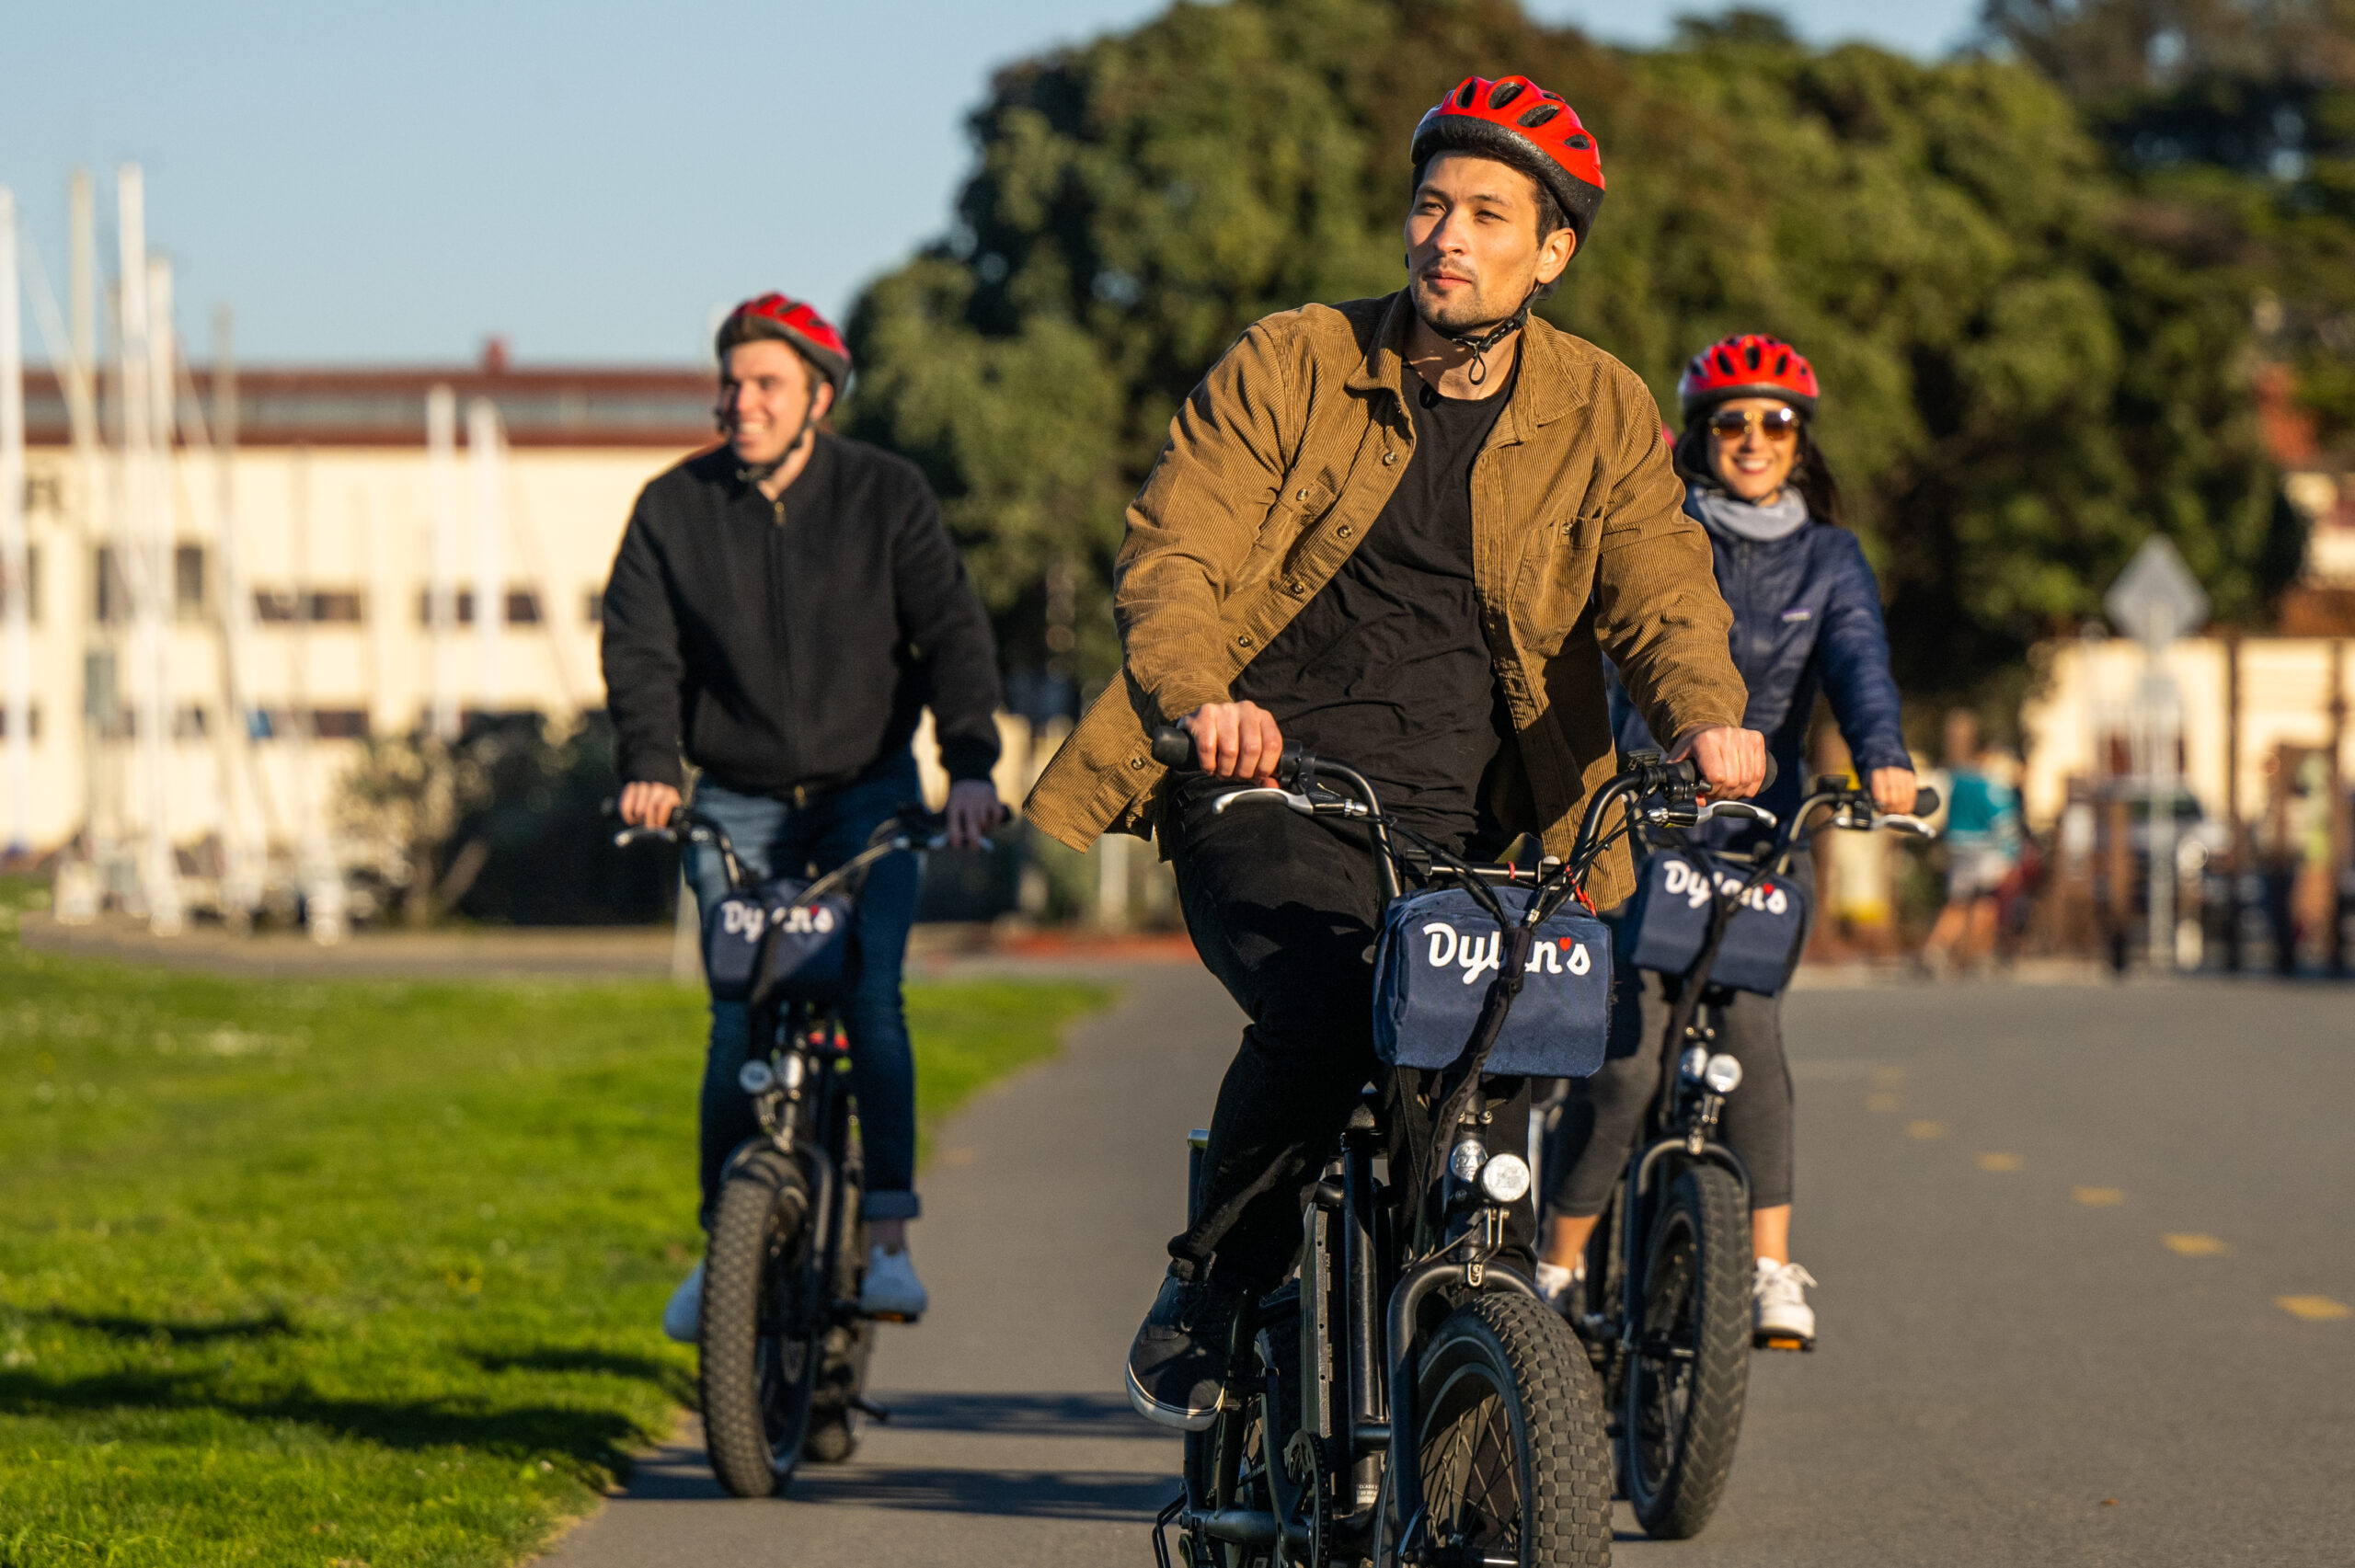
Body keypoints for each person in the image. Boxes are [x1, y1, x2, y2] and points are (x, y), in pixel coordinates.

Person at [1024, 73, 1765, 1431]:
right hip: (1273, 789)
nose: (1447, 235)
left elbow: (1664, 586)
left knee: (1520, 1058)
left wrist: (1708, 715)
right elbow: (1176, 552)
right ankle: (1220, 1283)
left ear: (1551, 252)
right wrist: (1204, 704)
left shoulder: (1598, 407)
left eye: (1489, 213)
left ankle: (1470, 1337)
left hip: (1496, 830)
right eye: (1432, 203)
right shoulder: (1293, 362)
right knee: (1327, 1000)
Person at [600, 292, 1006, 1338]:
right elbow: (641, 653)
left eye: (766, 383)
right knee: (734, 1015)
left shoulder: (886, 495)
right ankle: (719, 1253)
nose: (741, 401)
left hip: (865, 795)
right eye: (730, 382)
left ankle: (885, 1245)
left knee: (872, 1004)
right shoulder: (671, 509)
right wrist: (651, 764)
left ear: (818, 397)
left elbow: (951, 634)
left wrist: (968, 767)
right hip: (732, 800)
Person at [1538, 334, 1915, 1349]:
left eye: (1775, 423)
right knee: (1626, 1063)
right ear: (1700, 438)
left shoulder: (1830, 558)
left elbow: (1859, 668)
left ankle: (1767, 1267)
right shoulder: (1656, 530)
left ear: (1802, 442)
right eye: (1731, 422)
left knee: (1750, 1034)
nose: (1753, 439)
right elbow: (1619, 668)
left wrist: (1882, 755)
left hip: (1759, 835)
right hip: (1646, 826)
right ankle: (1557, 1268)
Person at [1922, 710, 2020, 974]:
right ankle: (1978, 955)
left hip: (1957, 845)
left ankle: (1936, 949)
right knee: (1985, 902)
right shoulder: (1990, 784)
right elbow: (2003, 821)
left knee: (1958, 901)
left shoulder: (1954, 778)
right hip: (1986, 849)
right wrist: (2011, 853)